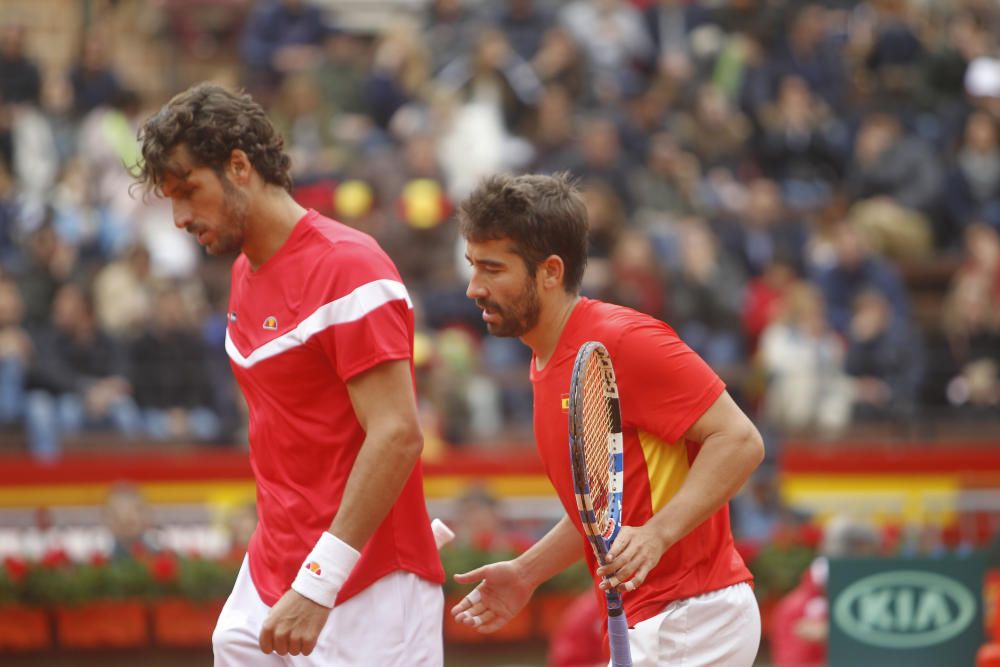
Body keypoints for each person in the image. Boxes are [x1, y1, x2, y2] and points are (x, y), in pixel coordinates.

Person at [134, 82, 444, 665]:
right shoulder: (242, 274)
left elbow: (398, 435)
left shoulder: (349, 267)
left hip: (365, 588)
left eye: (188, 191)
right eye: (169, 199)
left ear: (240, 167)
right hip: (273, 577)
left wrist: (319, 582)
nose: (178, 218)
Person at [451, 173, 764, 666]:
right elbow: (603, 511)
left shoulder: (622, 340)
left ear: (550, 271)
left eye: (492, 269)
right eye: (473, 267)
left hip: (687, 616)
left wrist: (659, 533)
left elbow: (741, 441)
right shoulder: (544, 361)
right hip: (655, 620)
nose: (474, 288)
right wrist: (528, 572)